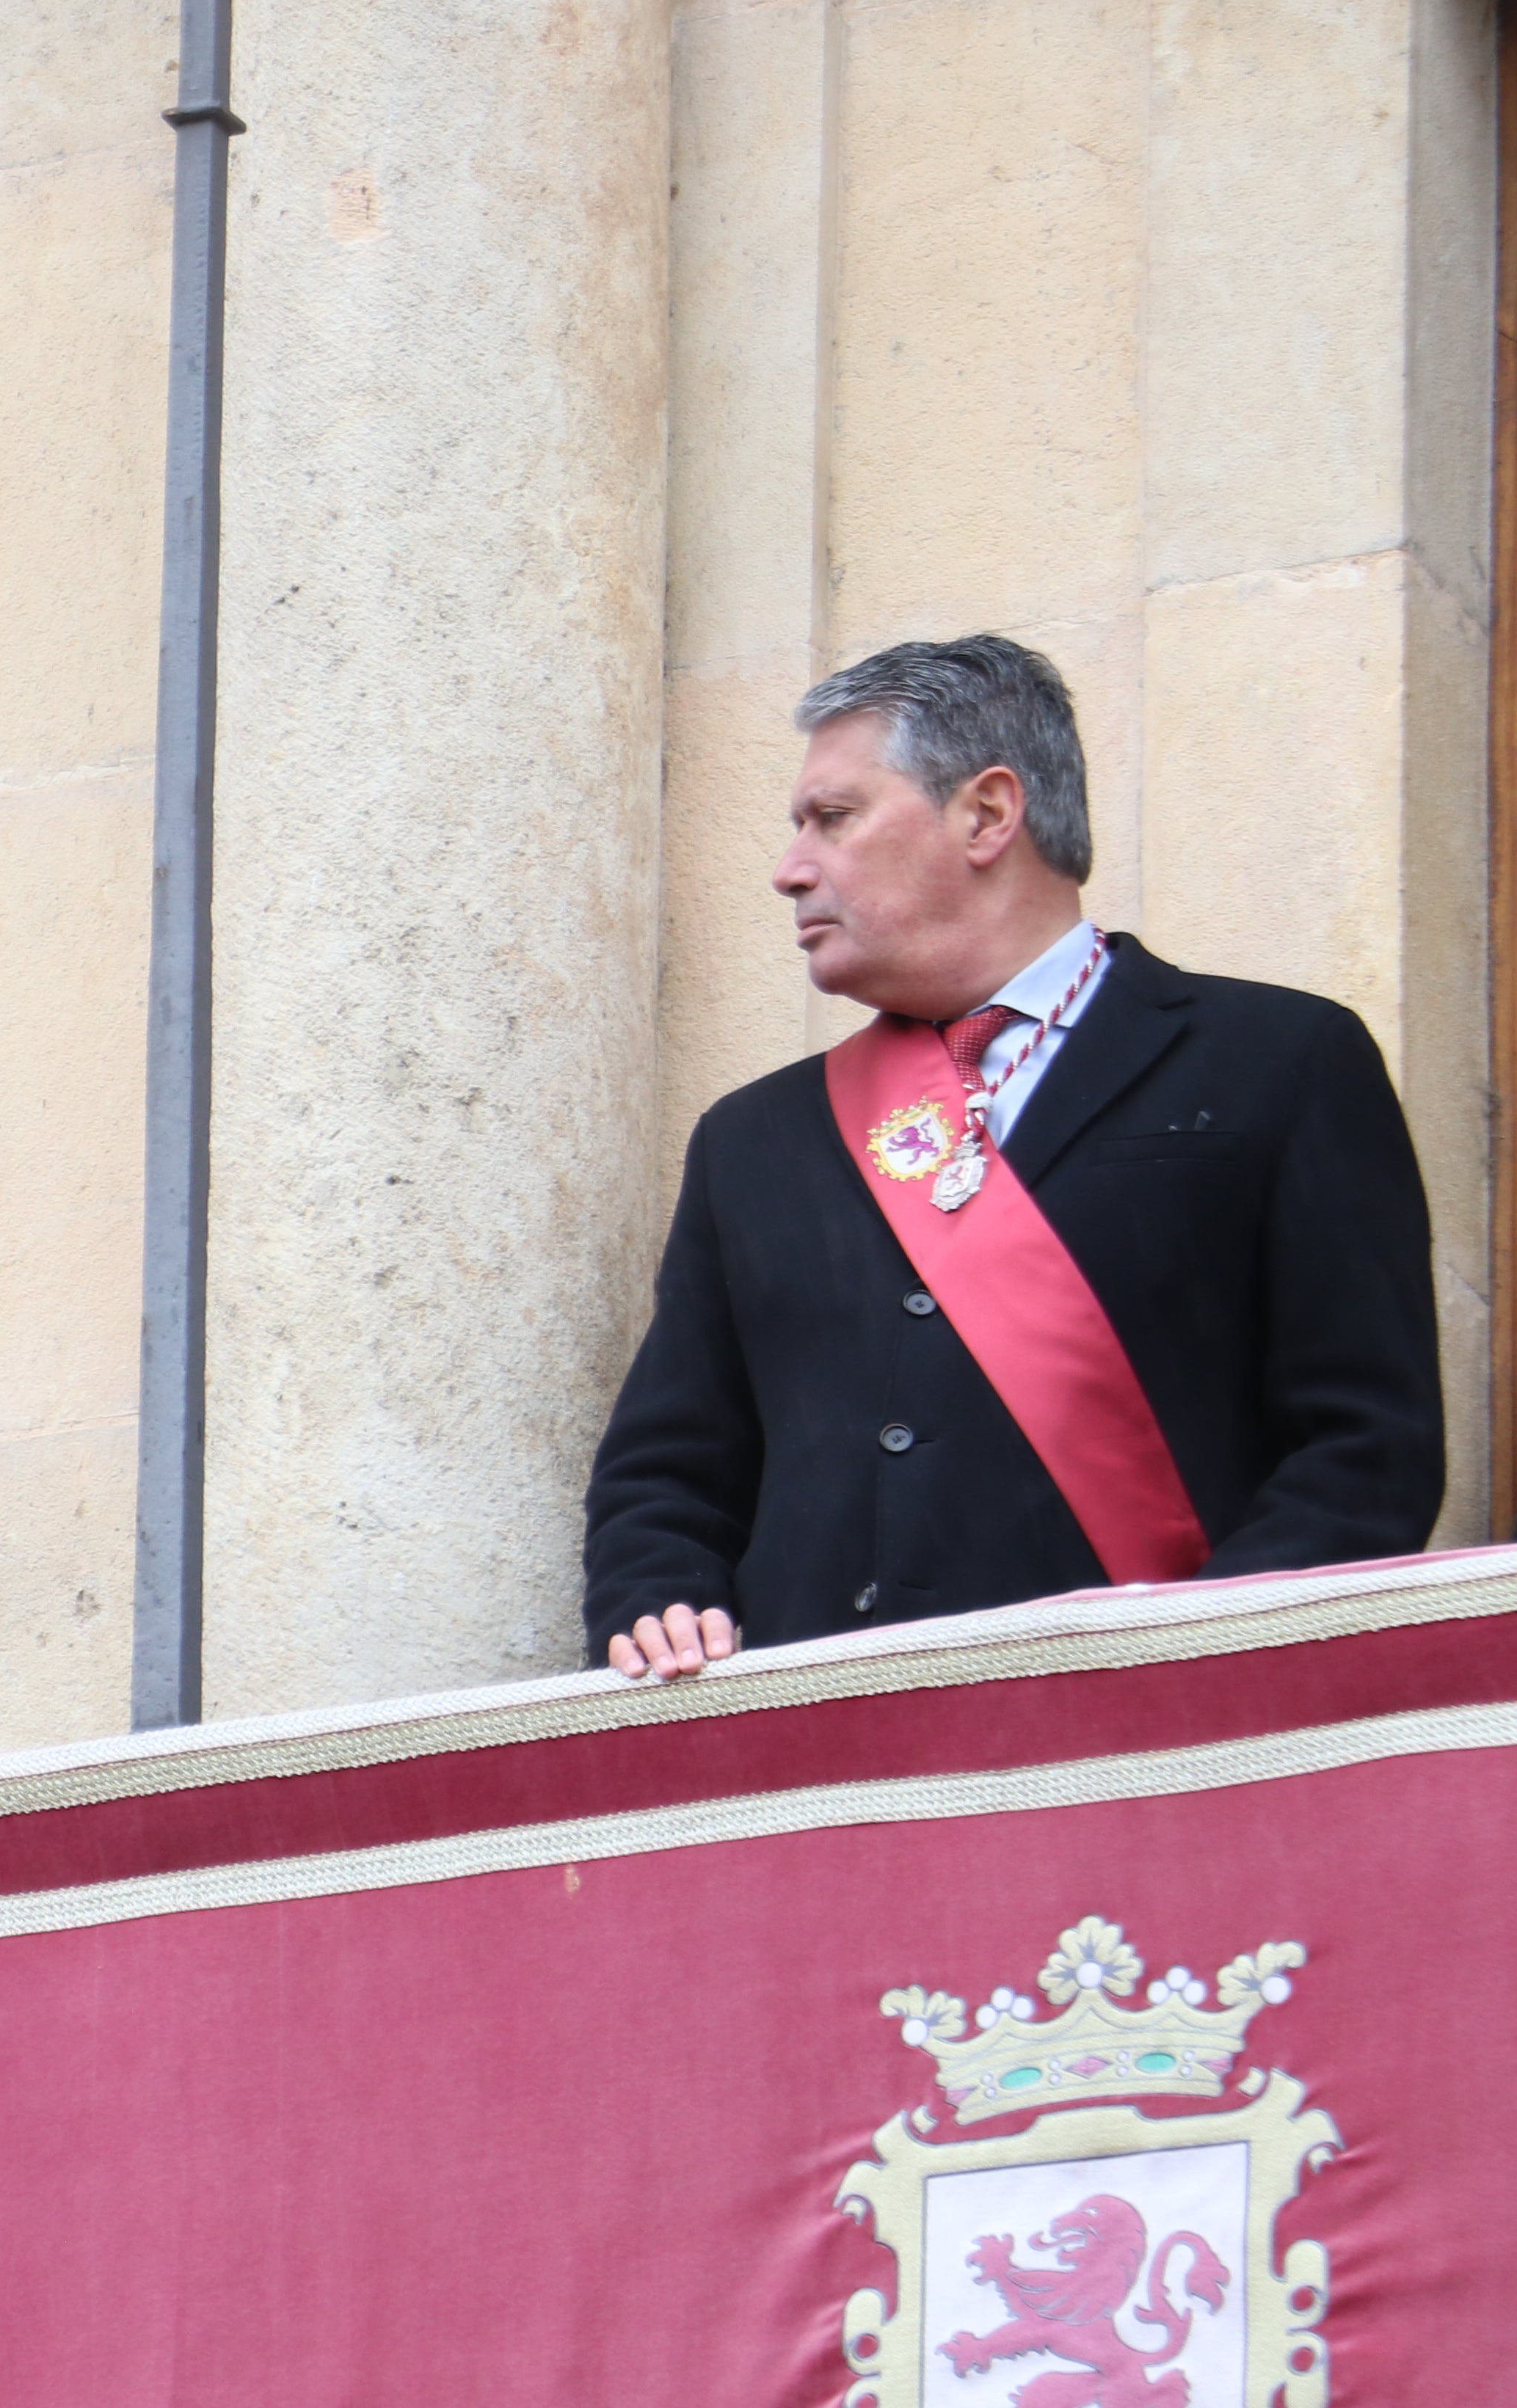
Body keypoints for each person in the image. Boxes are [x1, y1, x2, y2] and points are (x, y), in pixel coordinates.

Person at [583, 635, 1441, 1680]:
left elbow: (1365, 1455)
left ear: (987, 815)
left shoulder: (1280, 1062)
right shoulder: (753, 1138)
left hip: (1147, 1761)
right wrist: (659, 1604)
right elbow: (668, 1476)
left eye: (833, 819)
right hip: (815, 1771)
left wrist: (1200, 1665)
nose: (788, 869)